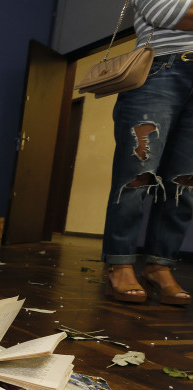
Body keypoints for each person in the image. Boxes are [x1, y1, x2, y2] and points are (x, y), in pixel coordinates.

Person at [102, 0, 193, 306]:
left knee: (184, 183)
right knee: (136, 175)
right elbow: (169, 13)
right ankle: (120, 262)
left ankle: (159, 265)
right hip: (161, 68)